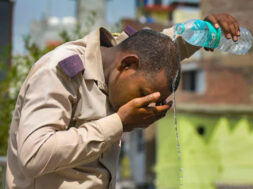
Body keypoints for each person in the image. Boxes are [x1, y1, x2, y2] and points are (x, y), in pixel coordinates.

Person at [6, 13, 240, 189]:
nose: (146, 103)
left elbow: (164, 45)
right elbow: (33, 155)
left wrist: (206, 31)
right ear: (126, 65)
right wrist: (118, 123)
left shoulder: (123, 55)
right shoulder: (59, 72)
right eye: (143, 92)